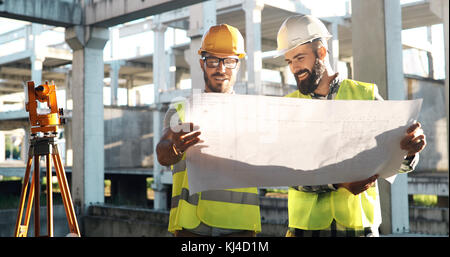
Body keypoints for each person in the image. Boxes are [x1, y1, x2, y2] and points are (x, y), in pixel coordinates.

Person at [275, 15, 427, 237]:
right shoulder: (288, 107)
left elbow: (399, 165)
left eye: (299, 58)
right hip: (306, 229)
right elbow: (284, 171)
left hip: (360, 228)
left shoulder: (365, 95)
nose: (294, 68)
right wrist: (338, 183)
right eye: (289, 61)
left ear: (322, 53)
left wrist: (408, 151)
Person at [156, 24, 261, 237]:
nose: (221, 69)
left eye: (229, 61)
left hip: (238, 226)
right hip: (191, 226)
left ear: (238, 65)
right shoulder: (181, 108)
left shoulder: (253, 113)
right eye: (213, 60)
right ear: (202, 63)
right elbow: (162, 153)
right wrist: (173, 148)